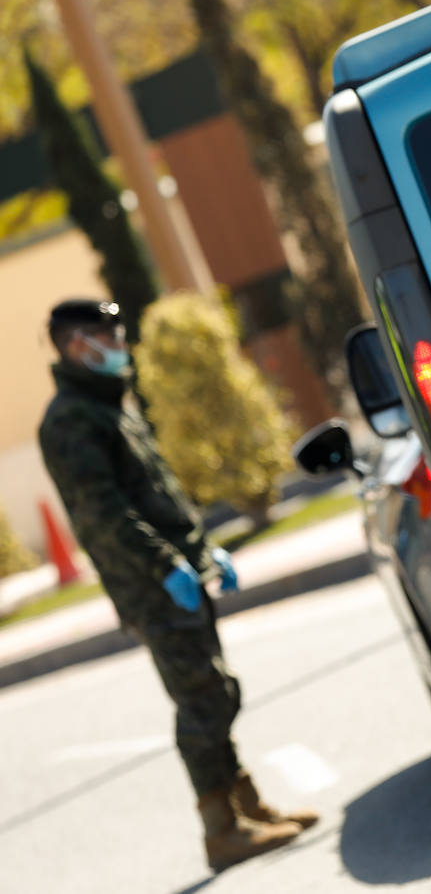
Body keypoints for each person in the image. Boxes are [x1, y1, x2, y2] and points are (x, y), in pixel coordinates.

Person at [37, 299, 317, 874]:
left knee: (213, 690)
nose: (118, 342)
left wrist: (201, 550)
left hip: (177, 573)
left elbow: (155, 493)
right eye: (105, 335)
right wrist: (166, 566)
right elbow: (104, 515)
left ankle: (245, 806)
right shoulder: (70, 420)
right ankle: (220, 830)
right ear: (74, 345)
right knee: (201, 697)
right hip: (150, 585)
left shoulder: (111, 405)